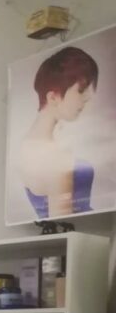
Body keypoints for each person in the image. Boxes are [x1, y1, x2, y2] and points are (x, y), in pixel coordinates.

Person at [18, 46, 99, 219]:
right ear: (53, 97)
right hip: (83, 233)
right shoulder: (54, 157)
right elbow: (62, 225)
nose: (87, 97)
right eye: (81, 90)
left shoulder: (27, 144)